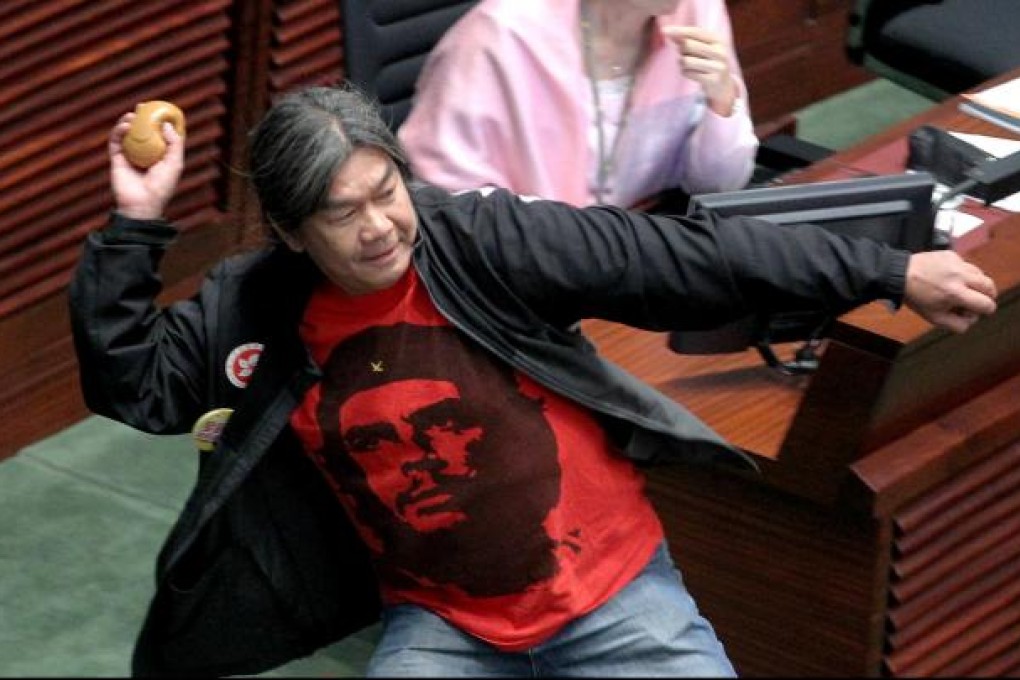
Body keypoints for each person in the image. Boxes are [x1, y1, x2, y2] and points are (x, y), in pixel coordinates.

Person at [68, 83, 997, 678]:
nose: (379, 228)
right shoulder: (254, 308)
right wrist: (134, 224)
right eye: (341, 215)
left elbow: (688, 258)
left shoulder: (483, 238)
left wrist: (886, 272)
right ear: (288, 229)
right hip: (440, 624)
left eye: (386, 193)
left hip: (614, 593)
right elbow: (136, 386)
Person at [398, 0, 759, 209]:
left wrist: (722, 99)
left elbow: (718, 186)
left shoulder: (698, 13)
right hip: (526, 269)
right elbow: (444, 206)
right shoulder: (497, 39)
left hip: (644, 245)